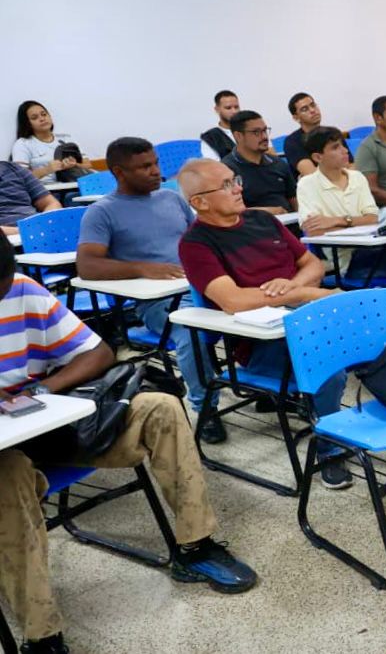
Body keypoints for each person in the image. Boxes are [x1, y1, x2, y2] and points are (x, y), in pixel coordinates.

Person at [0, 233, 256, 654]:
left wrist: (42, 390)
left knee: (161, 407)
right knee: (7, 476)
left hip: (52, 423)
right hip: (5, 455)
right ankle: (41, 632)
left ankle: (195, 546)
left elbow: (98, 354)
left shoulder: (23, 290)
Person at [176, 158, 353, 488]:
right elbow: (233, 300)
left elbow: (313, 264)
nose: (237, 188)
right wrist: (305, 294)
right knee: (330, 364)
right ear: (199, 202)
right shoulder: (195, 244)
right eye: (226, 185)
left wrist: (293, 287)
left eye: (235, 180)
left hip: (306, 319)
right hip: (262, 342)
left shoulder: (263, 220)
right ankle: (329, 449)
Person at [75, 137, 225, 442]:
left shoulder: (171, 198)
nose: (156, 171)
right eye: (145, 167)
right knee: (191, 331)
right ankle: (206, 408)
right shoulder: (102, 212)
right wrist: (142, 268)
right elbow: (87, 266)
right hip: (159, 302)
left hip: (201, 285)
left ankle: (265, 382)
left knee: (262, 305)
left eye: (155, 163)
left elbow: (200, 237)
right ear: (119, 172)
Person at [296, 127, 386, 282]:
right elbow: (314, 230)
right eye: (335, 148)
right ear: (318, 157)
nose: (345, 151)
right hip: (349, 261)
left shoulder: (357, 177)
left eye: (343, 145)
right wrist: (358, 222)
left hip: (375, 247)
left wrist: (338, 221)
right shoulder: (307, 185)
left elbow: (373, 218)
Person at [221, 110, 297, 214]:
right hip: (253, 223)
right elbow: (228, 210)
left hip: (289, 221)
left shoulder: (278, 163)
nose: (264, 136)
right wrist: (268, 212)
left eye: (265, 130)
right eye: (256, 132)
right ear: (238, 136)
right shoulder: (226, 170)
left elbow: (294, 198)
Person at [11, 101, 93, 184]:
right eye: (34, 118)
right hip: (48, 189)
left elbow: (88, 165)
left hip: (76, 185)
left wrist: (75, 165)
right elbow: (21, 178)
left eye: (44, 114)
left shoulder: (66, 138)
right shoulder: (23, 144)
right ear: (27, 123)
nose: (42, 119)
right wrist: (47, 170)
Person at [0, 162, 62, 235]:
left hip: (39, 230)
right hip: (8, 237)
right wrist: (24, 231)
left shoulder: (15, 169)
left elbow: (51, 203)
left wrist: (43, 224)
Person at [282, 92, 324, 178]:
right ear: (296, 118)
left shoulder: (333, 134)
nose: (312, 110)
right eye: (305, 109)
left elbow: (350, 166)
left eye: (313, 105)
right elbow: (313, 176)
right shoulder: (292, 142)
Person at [200, 89, 240, 161]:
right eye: (228, 108)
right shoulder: (211, 137)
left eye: (236, 107)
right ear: (217, 109)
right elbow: (214, 165)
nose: (234, 111)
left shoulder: (249, 130)